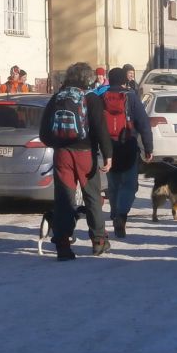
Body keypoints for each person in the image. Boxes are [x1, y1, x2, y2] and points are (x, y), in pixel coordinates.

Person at [38, 62, 113, 260]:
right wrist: (108, 154)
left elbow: (44, 133)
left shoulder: (57, 98)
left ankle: (63, 245)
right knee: (92, 197)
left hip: (62, 154)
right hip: (86, 154)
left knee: (64, 199)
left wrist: (58, 144)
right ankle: (99, 241)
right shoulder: (92, 98)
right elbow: (101, 129)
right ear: (88, 79)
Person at [101, 65, 154, 238]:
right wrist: (148, 148)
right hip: (128, 146)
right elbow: (143, 124)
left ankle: (115, 213)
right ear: (124, 81)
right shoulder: (131, 97)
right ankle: (121, 215)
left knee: (113, 184)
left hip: (108, 148)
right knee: (130, 185)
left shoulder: (102, 97)